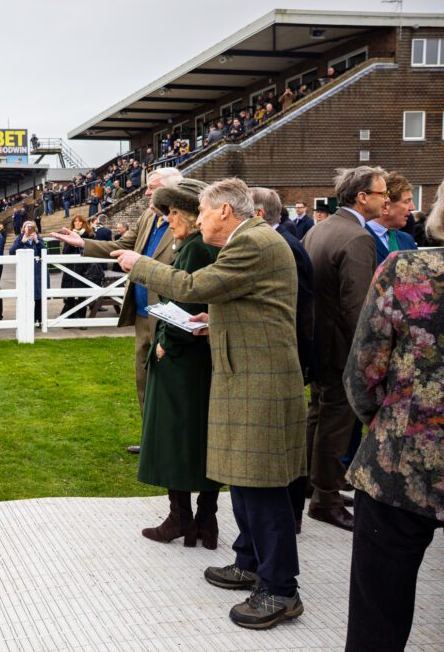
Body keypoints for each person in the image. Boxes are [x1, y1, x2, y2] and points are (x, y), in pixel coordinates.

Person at [113, 178, 307, 631]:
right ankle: (249, 561)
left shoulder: (253, 242)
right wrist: (212, 319)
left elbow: (192, 283)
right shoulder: (253, 239)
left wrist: (140, 264)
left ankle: (280, 589)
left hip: (259, 381)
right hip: (248, 376)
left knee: (261, 488)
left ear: (223, 210)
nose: (196, 219)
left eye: (200, 211)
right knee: (244, 480)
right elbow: (250, 302)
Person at [342, 187, 444, 651]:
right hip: (400, 459)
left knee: (378, 614)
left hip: (401, 458)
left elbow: (364, 372)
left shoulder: (407, 271)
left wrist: (383, 420)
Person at [54, 167, 182, 455]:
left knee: (170, 379)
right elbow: (121, 245)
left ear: (172, 191)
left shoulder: (186, 221)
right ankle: (151, 439)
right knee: (144, 377)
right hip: (142, 312)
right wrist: (82, 243)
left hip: (169, 312)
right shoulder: (149, 216)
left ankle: (173, 442)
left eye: (153, 187)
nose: (147, 192)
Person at [135, 179, 222, 550]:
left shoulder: (192, 249)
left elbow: (186, 305)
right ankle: (205, 521)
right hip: (203, 357)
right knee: (203, 439)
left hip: (183, 358)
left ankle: (180, 518)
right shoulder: (204, 245)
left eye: (172, 213)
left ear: (186, 214)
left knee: (176, 440)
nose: (168, 220)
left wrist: (164, 347)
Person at [302, 166, 388, 532]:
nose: (386, 199)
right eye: (382, 193)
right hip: (341, 346)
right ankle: (326, 498)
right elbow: (358, 306)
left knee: (318, 414)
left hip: (315, 341)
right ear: (362, 197)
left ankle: (311, 483)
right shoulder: (357, 237)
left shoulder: (319, 228)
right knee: (336, 421)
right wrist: (370, 356)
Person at [253, 187, 317, 534]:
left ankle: (290, 515)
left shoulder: (285, 247)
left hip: (287, 354)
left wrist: (300, 361)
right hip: (288, 352)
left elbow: (300, 310)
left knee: (284, 440)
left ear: (259, 215)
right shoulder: (283, 242)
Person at [366, 171, 418, 265]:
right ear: (385, 205)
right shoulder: (358, 238)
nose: (412, 207)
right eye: (407, 201)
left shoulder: (407, 240)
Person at [59, 215, 96, 321]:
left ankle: (82, 320)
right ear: (73, 223)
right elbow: (65, 252)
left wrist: (80, 242)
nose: (78, 223)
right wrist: (71, 242)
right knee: (70, 295)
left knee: (82, 295)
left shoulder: (89, 235)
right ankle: (70, 318)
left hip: (84, 269)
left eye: (80, 221)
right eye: (75, 222)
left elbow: (93, 250)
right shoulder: (68, 235)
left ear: (83, 223)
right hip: (70, 269)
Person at [9, 221, 46, 325]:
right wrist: (22, 242)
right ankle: (27, 320)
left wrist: (37, 242)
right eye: (26, 226)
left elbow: (44, 252)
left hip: (37, 272)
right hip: (24, 273)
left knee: (38, 297)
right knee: (25, 297)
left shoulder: (38, 237)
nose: (29, 229)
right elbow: (11, 252)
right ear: (23, 228)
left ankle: (39, 319)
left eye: (31, 227)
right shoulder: (19, 238)